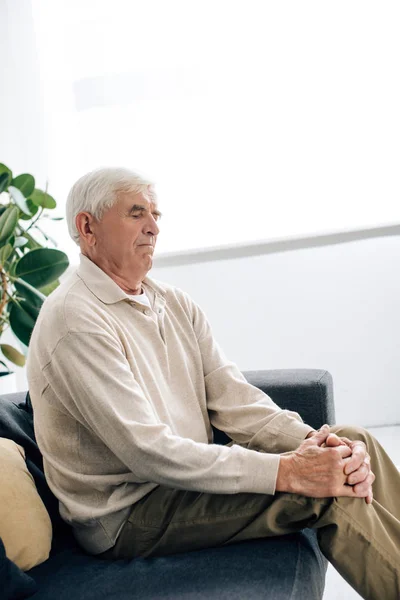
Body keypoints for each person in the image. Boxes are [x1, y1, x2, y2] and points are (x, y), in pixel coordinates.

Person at [27, 167, 400, 600]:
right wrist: (289, 471)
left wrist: (314, 442)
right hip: (131, 512)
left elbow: (236, 401)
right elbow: (148, 452)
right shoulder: (75, 320)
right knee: (325, 490)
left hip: (187, 482)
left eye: (155, 213)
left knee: (352, 442)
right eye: (135, 214)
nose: (153, 226)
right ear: (87, 227)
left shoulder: (173, 302)